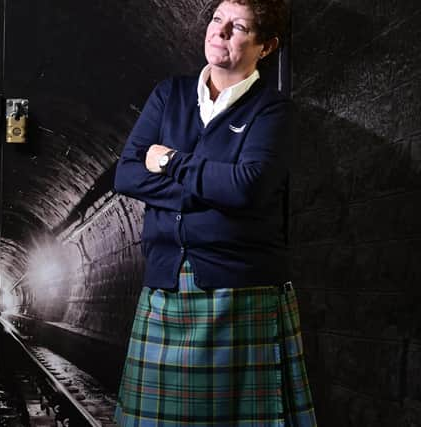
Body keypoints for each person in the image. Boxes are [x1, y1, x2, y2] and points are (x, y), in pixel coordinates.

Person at [113, 0, 317, 425]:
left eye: (238, 26)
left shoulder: (273, 110)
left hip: (240, 290)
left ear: (267, 45)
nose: (220, 32)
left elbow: (247, 188)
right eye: (216, 19)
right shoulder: (170, 94)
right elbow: (127, 175)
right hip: (165, 289)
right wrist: (212, 189)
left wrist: (172, 163)